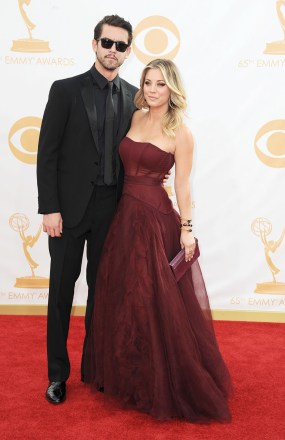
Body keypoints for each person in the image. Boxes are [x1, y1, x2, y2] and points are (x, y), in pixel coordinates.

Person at [83, 59, 233, 423]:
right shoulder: (135, 118)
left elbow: (182, 184)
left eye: (160, 84)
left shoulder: (180, 131)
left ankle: (161, 380)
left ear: (172, 89)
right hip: (125, 218)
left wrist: (187, 228)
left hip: (155, 220)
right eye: (147, 82)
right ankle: (127, 371)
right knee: (125, 297)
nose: (151, 90)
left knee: (154, 302)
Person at [37, 14, 138, 404]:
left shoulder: (134, 96)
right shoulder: (64, 90)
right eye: (107, 43)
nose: (113, 50)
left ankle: (95, 369)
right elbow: (47, 154)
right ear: (94, 44)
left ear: (128, 51)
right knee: (61, 292)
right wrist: (50, 208)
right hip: (67, 210)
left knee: (104, 294)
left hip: (112, 210)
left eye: (121, 45)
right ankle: (57, 375)